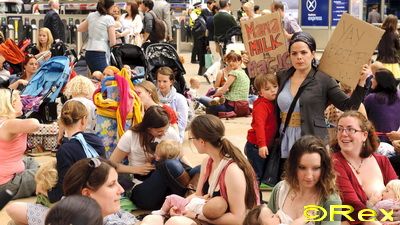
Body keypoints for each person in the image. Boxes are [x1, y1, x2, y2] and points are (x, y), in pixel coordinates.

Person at [144, 114, 259, 225]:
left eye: (192, 138)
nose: (192, 142)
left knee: (175, 222)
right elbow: (198, 195)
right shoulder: (207, 162)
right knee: (151, 219)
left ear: (202, 142)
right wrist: (180, 207)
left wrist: (196, 216)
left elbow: (238, 219)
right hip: (204, 215)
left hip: (220, 220)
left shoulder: (232, 171)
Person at [275, 32, 367, 161]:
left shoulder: (324, 79)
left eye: (303, 52)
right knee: (287, 179)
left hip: (312, 138)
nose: (299, 57)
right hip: (284, 136)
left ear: (313, 54)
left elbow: (348, 106)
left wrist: (361, 83)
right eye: (294, 53)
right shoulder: (282, 76)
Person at [6, 158, 139, 225]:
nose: (121, 190)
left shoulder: (65, 213)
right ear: (87, 194)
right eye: (111, 185)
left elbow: (13, 208)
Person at [110, 105, 194, 210]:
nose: (163, 133)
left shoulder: (169, 133)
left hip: (167, 186)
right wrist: (136, 169)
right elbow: (110, 165)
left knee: (196, 169)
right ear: (149, 128)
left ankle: (188, 198)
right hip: (143, 187)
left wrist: (192, 171)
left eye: (166, 129)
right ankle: (187, 200)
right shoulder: (131, 136)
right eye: (159, 131)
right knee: (169, 164)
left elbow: (181, 156)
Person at [331, 111, 397, 224]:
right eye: (340, 129)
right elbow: (353, 206)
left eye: (350, 129)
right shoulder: (334, 163)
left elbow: (397, 191)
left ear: (364, 135)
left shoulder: (382, 161)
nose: (343, 134)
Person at [268, 135, 341, 225]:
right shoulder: (279, 190)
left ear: (324, 168)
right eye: (302, 167)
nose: (309, 176)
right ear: (293, 167)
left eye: (316, 168)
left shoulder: (331, 200)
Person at [0, 88, 40, 199]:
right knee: (51, 173)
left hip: (6, 173)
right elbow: (35, 124)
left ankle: (33, 179)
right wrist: (30, 108)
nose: (22, 103)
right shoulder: (8, 124)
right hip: (7, 184)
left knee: (29, 160)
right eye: (20, 100)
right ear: (12, 103)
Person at [245, 74, 278, 184]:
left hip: (262, 146)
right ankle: (252, 197)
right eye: (267, 89)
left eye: (275, 86)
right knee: (256, 176)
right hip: (256, 146)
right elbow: (259, 126)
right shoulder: (261, 106)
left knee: (260, 173)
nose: (272, 91)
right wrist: (262, 144)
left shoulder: (271, 103)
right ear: (260, 93)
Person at [202, 51, 250, 117]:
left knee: (202, 99)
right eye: (229, 61)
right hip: (243, 106)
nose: (231, 63)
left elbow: (222, 90)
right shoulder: (244, 73)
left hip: (231, 106)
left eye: (234, 61)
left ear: (239, 61)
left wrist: (213, 96)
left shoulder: (234, 73)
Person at [77, 0, 116, 73]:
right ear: (109, 7)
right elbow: (113, 42)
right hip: (100, 52)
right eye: (113, 6)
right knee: (104, 78)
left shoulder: (91, 15)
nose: (114, 8)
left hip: (89, 52)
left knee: (94, 78)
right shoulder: (109, 19)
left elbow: (79, 28)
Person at [364, 68, 400, 143]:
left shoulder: (371, 98)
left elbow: (361, 118)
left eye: (373, 78)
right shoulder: (398, 96)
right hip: (395, 141)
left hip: (375, 142)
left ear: (380, 82)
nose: (371, 80)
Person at [156, 67, 188, 141]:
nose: (161, 84)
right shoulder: (154, 97)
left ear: (171, 82)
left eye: (164, 81)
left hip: (175, 135)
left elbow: (182, 124)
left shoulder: (180, 99)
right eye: (159, 81)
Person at [152, 194, 228, 220]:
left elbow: (198, 198)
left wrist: (204, 197)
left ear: (208, 201)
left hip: (186, 206)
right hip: (186, 209)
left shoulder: (204, 204)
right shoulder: (208, 213)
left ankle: (163, 211)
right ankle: (164, 212)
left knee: (171, 198)